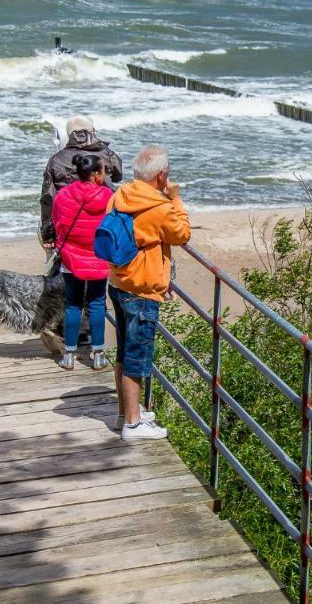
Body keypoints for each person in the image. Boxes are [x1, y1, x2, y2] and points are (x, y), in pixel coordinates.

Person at [108, 144, 191, 441]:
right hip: (141, 289)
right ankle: (133, 424)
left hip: (118, 281)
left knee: (123, 351)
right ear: (161, 176)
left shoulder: (121, 195)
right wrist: (176, 198)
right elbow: (182, 234)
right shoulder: (159, 208)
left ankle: (125, 412)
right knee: (137, 355)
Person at [51, 153, 113, 371]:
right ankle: (98, 355)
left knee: (73, 304)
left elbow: (57, 223)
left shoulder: (63, 195)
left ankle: (69, 355)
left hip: (71, 257)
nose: (106, 174)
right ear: (96, 174)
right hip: (98, 258)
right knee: (96, 304)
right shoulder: (108, 196)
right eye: (104, 170)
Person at [39, 116, 123, 247]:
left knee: (48, 225)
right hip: (104, 219)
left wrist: (48, 235)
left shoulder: (56, 160)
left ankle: (55, 258)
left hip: (70, 221)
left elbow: (48, 198)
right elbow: (118, 176)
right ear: (92, 132)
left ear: (68, 135)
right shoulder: (107, 154)